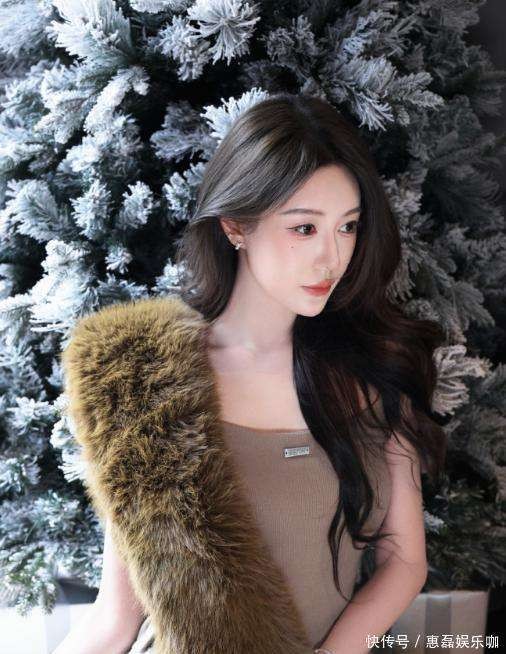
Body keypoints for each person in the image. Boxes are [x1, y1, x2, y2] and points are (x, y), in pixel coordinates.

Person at [55, 92, 446, 654]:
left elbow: (405, 560)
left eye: (348, 227)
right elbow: (117, 615)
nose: (332, 258)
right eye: (304, 228)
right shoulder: (148, 380)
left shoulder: (373, 373)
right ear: (236, 225)